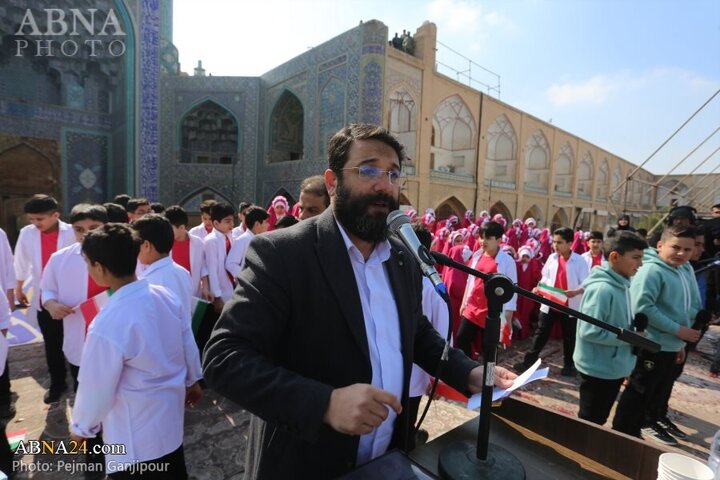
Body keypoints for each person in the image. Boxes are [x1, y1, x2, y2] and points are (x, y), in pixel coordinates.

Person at [202, 124, 516, 479]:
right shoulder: (283, 253)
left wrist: (468, 371)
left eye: (393, 174)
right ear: (333, 182)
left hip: (386, 460)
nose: (384, 184)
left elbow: (415, 332)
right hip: (304, 465)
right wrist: (324, 403)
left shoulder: (401, 258)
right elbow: (224, 359)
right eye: (368, 170)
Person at [70, 224, 203, 479]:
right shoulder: (164, 296)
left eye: (87, 263)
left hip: (135, 439)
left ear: (99, 267)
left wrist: (82, 427)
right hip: (169, 421)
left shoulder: (107, 322)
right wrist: (193, 379)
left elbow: (96, 387)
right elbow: (187, 340)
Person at [612, 225, 702, 445]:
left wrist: (679, 341)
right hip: (651, 344)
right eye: (676, 247)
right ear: (660, 245)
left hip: (670, 345)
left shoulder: (682, 269)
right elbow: (644, 308)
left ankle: (639, 428)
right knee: (638, 392)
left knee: (655, 392)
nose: (682, 253)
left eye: (687, 250)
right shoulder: (652, 270)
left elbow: (683, 307)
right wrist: (678, 331)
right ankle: (621, 436)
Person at [40, 203, 109, 473]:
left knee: (113, 399)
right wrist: (51, 305)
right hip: (78, 342)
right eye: (79, 229)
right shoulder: (61, 259)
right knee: (85, 398)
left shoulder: (124, 256)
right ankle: (94, 456)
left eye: (93, 228)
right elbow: (46, 291)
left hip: (112, 343)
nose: (86, 235)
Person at [573, 232, 647, 426]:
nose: (640, 264)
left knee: (599, 416)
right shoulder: (603, 290)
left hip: (611, 367)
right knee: (591, 421)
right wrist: (629, 337)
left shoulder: (621, 284)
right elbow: (589, 331)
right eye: (636, 258)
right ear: (615, 257)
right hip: (598, 369)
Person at [14, 194, 76, 403]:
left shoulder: (71, 232)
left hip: (72, 298)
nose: (35, 223)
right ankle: (58, 383)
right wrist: (19, 287)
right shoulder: (27, 234)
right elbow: (21, 261)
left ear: (55, 215)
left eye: (39, 219)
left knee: (77, 342)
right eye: (31, 219)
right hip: (44, 299)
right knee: (52, 344)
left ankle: (81, 383)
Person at [514, 227, 589, 376]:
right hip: (551, 303)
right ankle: (528, 363)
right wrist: (539, 288)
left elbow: (586, 282)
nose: (555, 245)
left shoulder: (579, 261)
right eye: (554, 242)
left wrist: (575, 292)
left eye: (559, 242)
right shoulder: (552, 258)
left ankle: (569, 366)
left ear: (569, 243)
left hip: (570, 306)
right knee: (540, 333)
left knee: (569, 337)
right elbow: (545, 277)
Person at [408, 224, 449, 448]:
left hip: (415, 374)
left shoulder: (432, 288)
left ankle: (410, 441)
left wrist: (438, 381)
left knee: (404, 424)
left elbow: (441, 335)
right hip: (386, 374)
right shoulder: (391, 276)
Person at [457, 221, 518, 358]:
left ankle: (489, 377)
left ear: (499, 240)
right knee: (462, 338)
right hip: (473, 306)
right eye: (481, 237)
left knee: (489, 349)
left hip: (492, 311)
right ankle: (470, 370)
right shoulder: (477, 256)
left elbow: (512, 289)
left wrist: (508, 315)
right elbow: (470, 280)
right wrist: (464, 303)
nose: (483, 241)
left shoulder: (507, 261)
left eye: (488, 238)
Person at [164, 206, 211, 301]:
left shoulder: (197, 242)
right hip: (171, 294)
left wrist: (205, 287)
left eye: (170, 228)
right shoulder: (164, 244)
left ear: (181, 227)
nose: (166, 232)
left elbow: (203, 268)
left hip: (193, 294)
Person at [226, 206, 270, 278]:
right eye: (266, 222)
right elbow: (230, 263)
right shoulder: (242, 240)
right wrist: (246, 277)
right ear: (257, 224)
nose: (268, 225)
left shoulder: (262, 239)